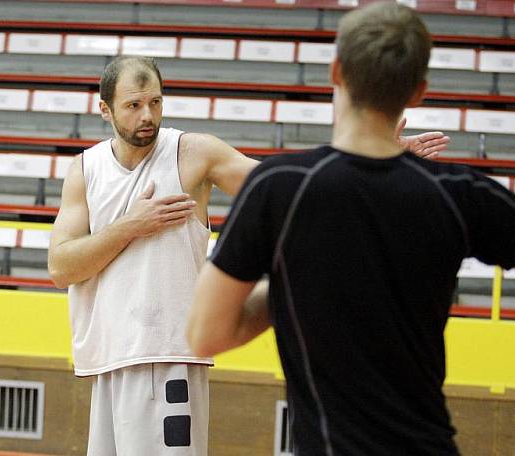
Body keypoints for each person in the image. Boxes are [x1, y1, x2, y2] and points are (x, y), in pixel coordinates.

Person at [186, 3, 515, 455]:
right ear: (418, 92)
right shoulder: (461, 194)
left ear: (336, 71)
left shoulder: (279, 188)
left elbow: (206, 333)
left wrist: (291, 279)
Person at [48, 54, 450, 455]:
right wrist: (131, 225)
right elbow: (61, 267)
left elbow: (286, 191)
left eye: (155, 102)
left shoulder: (192, 153)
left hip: (165, 355)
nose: (147, 115)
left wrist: (369, 161)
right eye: (133, 105)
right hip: (108, 360)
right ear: (105, 109)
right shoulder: (86, 170)